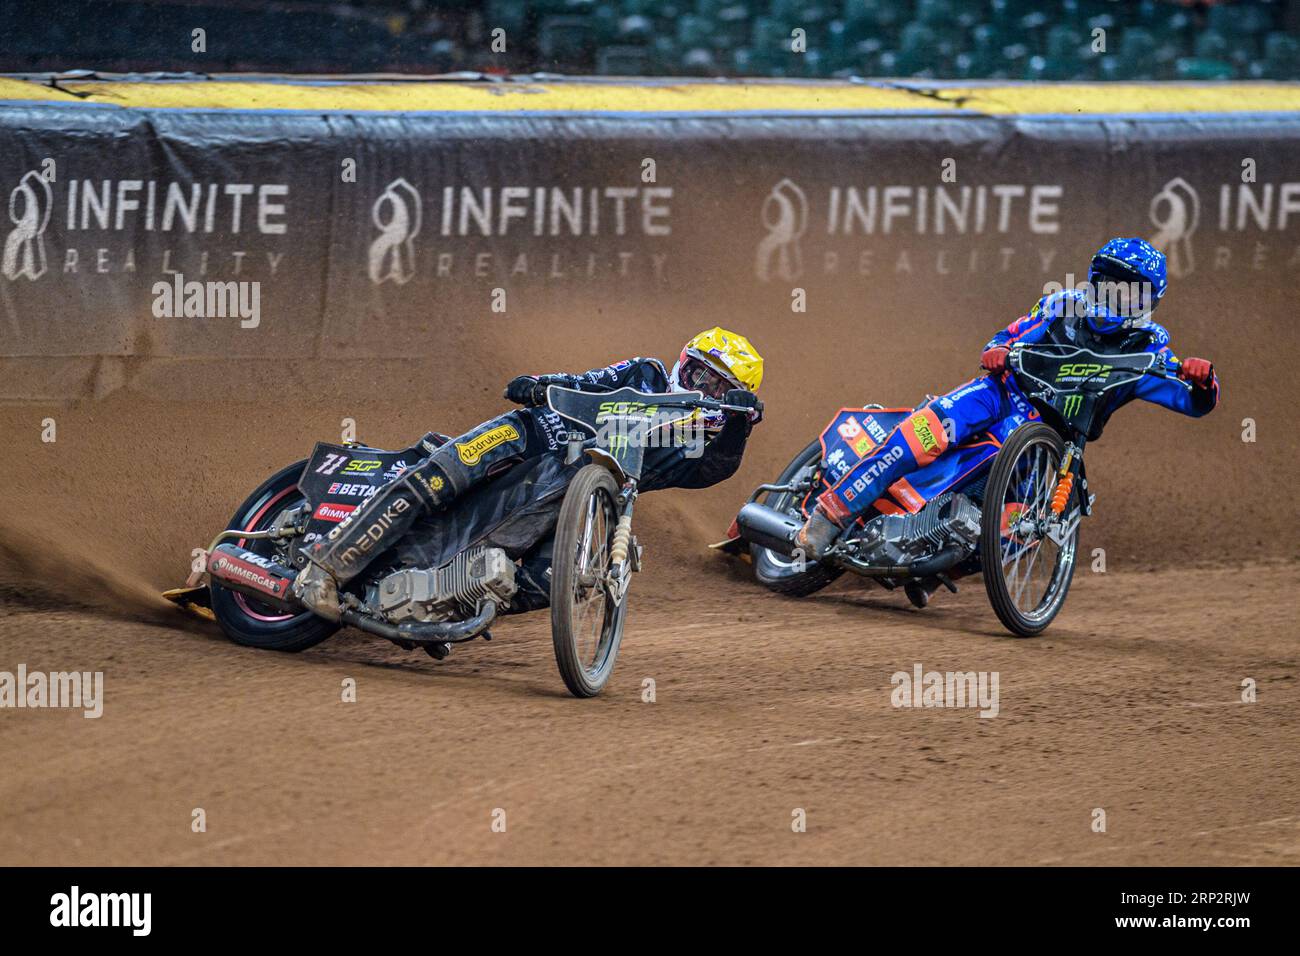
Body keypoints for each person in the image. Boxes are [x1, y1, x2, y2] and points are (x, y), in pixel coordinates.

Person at [796, 237, 1220, 564]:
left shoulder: (1150, 349)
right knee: (926, 431)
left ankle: (936, 556)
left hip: (1047, 441)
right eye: (1112, 286)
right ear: (1095, 282)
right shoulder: (1061, 306)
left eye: (1132, 293)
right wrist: (996, 350)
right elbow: (1007, 336)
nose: (1118, 299)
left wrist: (1203, 381)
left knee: (1023, 526)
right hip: (1001, 396)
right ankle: (829, 515)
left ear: (1149, 303)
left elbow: (1192, 401)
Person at [294, 327, 764, 618]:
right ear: (684, 363)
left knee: (550, 582)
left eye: (720, 388)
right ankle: (324, 568)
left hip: (570, 497)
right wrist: (540, 385)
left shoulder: (693, 442)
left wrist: (737, 427)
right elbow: (587, 381)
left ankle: (443, 606)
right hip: (531, 434)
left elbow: (716, 470)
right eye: (701, 374)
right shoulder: (645, 374)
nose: (701, 389)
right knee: (439, 480)